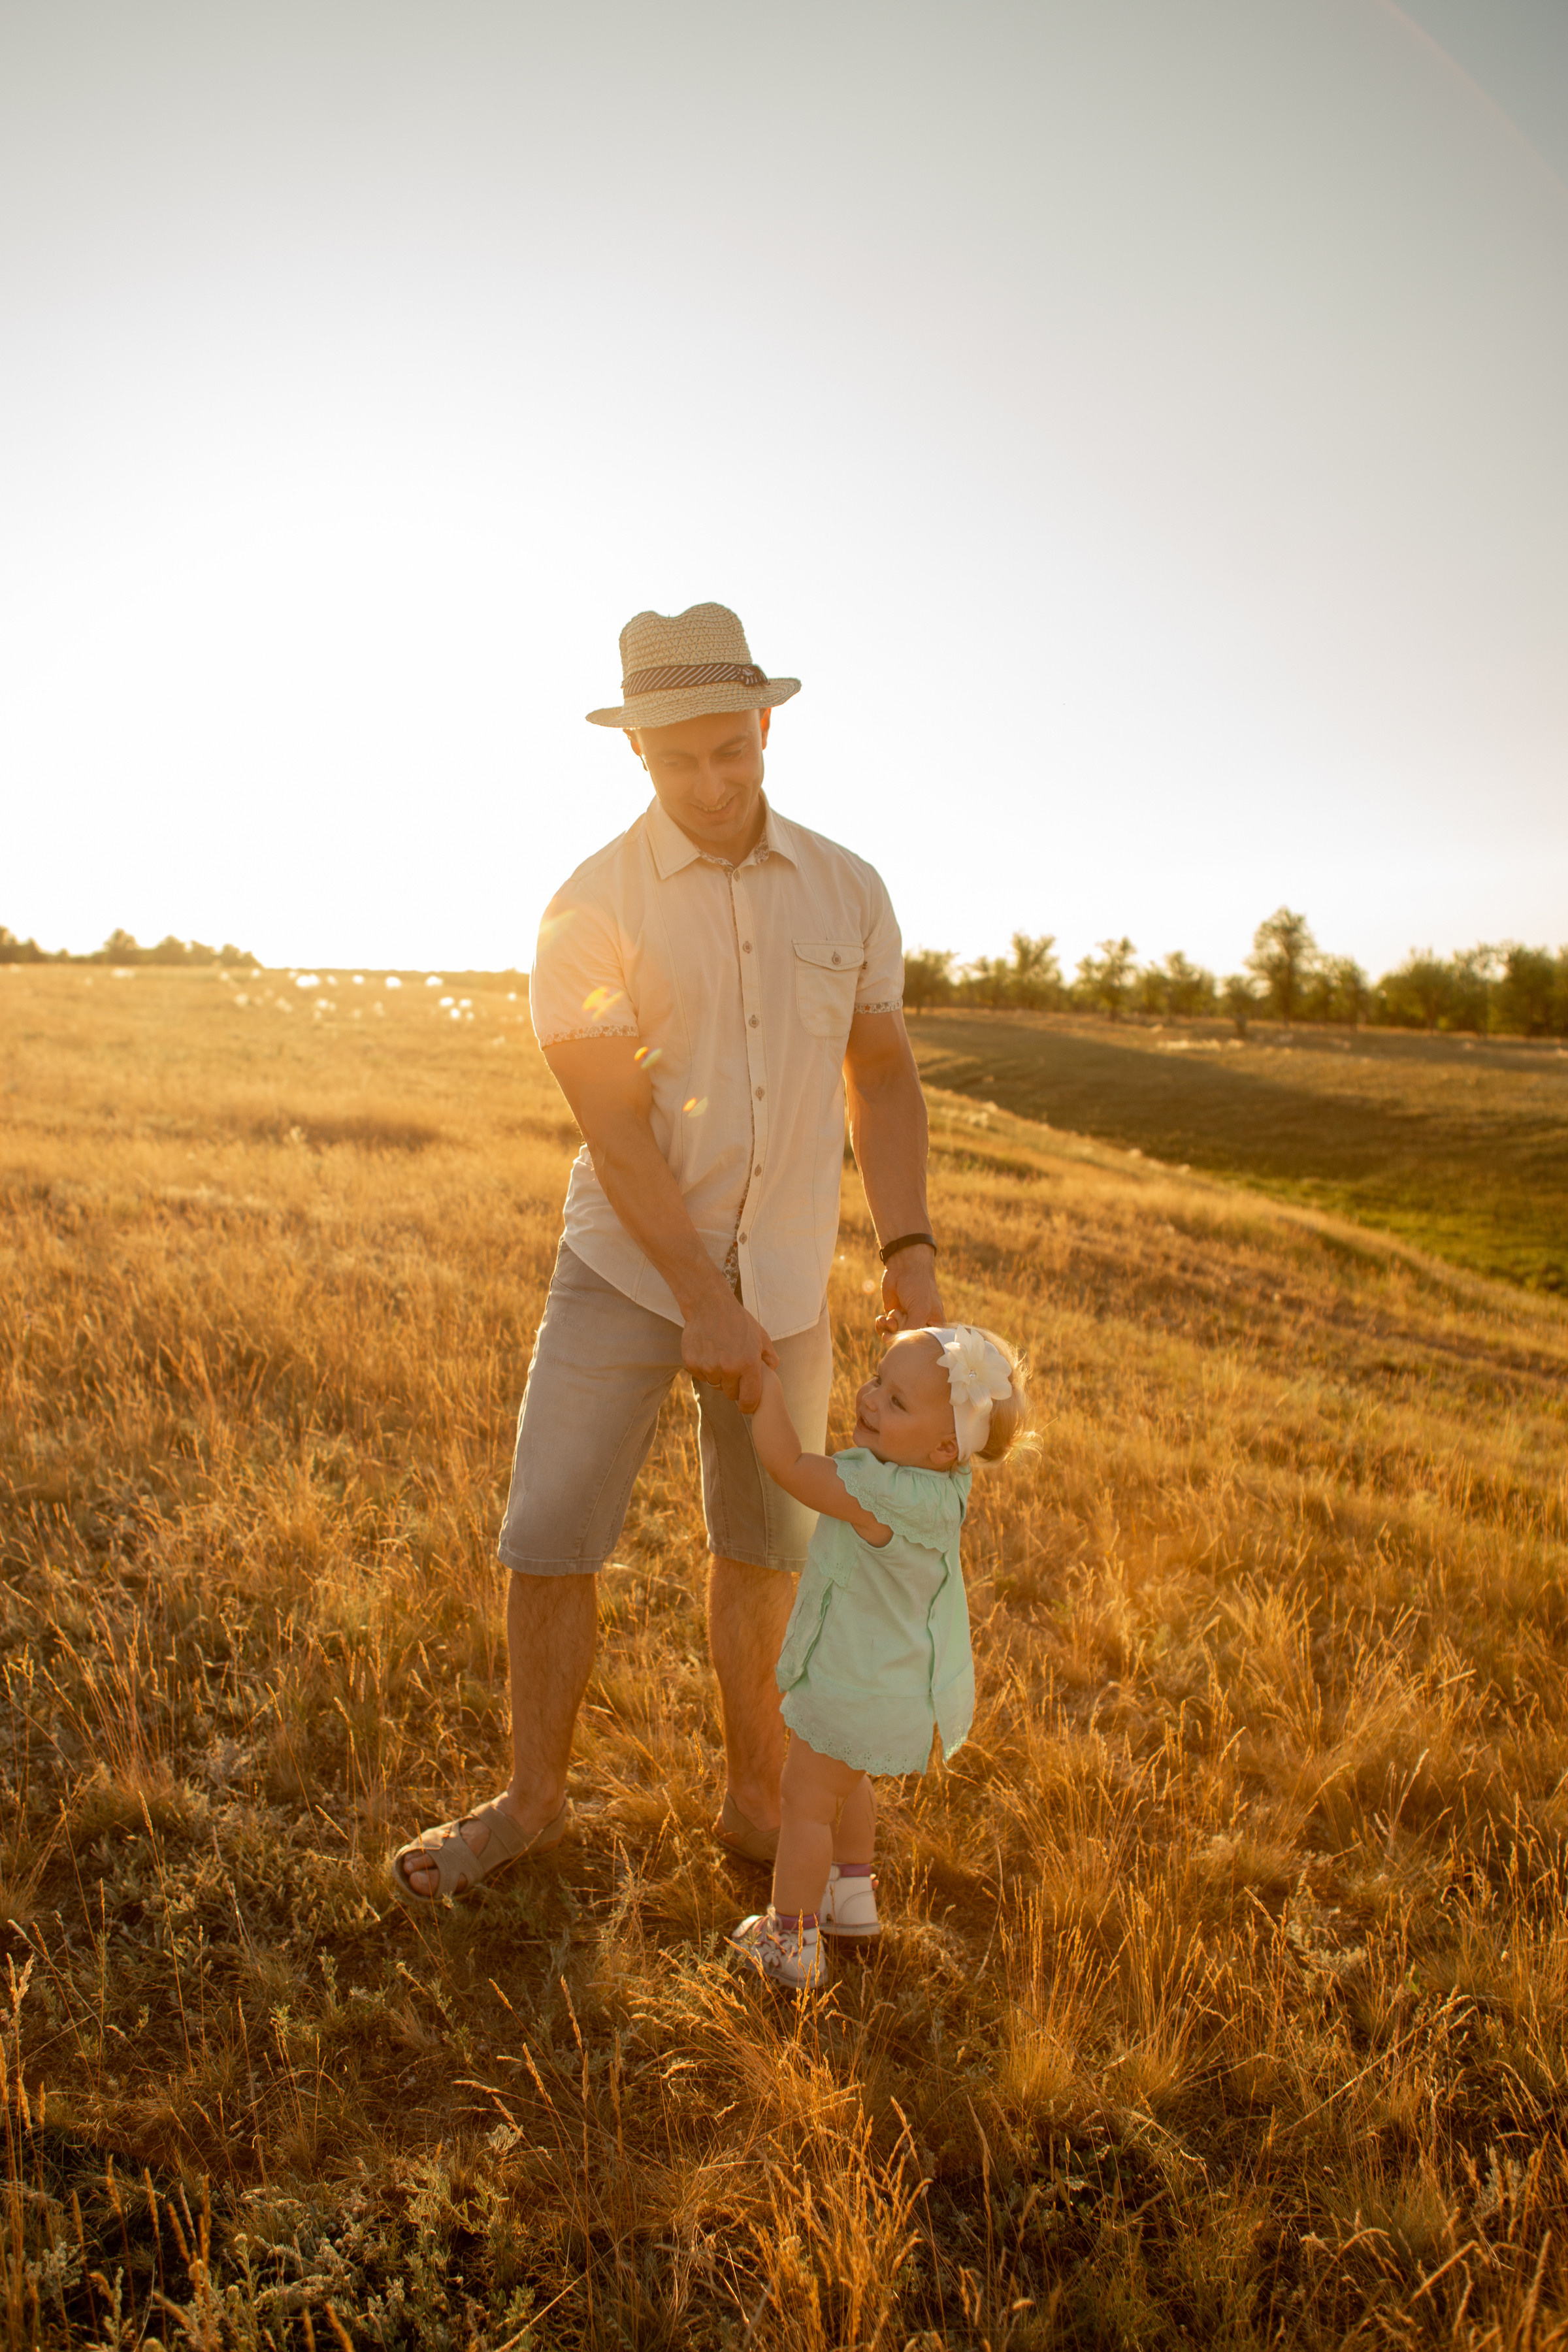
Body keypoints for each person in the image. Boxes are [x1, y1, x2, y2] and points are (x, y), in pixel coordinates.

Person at [391, 601, 944, 1904]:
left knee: (765, 1549)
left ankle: (758, 1807)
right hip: (629, 1274)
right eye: (681, 756)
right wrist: (698, 1295)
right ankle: (531, 1805)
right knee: (550, 1536)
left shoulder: (850, 887)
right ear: (637, 750)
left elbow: (882, 1070)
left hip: (794, 1276)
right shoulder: (588, 906)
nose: (712, 781)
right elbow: (613, 1119)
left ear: (765, 727)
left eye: (731, 751)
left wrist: (907, 1243)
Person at [725, 1324, 1028, 1990]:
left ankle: (791, 1938)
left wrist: (767, 1391)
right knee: (847, 1779)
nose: (869, 1399)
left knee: (805, 1801)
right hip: (889, 1690)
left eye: (895, 1403)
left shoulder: (879, 1492)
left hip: (848, 1684)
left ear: (946, 1446)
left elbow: (790, 1466)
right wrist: (904, 1399)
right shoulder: (943, 1487)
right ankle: (850, 1897)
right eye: (877, 1381)